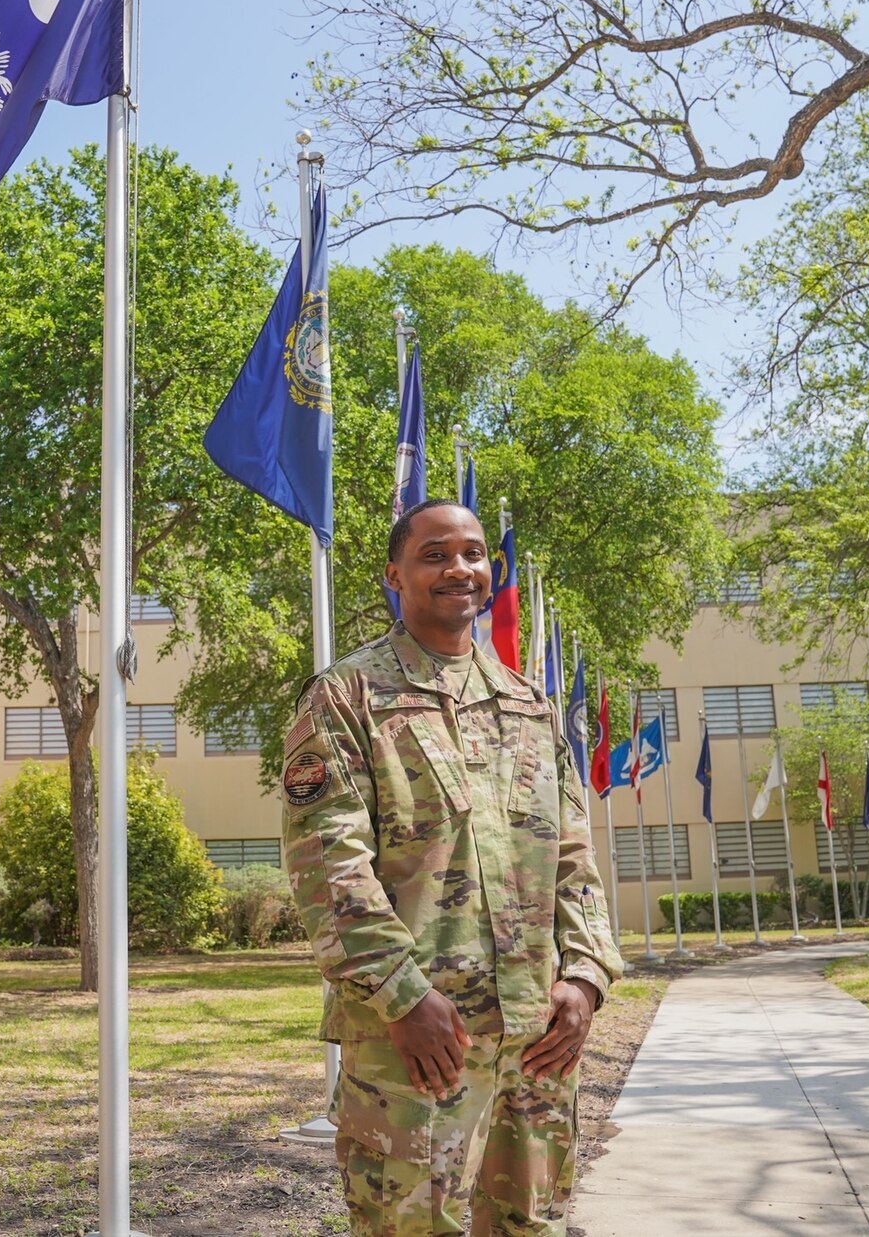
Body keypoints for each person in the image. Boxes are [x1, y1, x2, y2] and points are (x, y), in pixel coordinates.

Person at [281, 497, 623, 1235]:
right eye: (434, 553)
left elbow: (573, 856)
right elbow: (328, 862)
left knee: (531, 1224)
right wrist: (403, 997)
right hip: (413, 1041)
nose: (457, 568)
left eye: (471, 553)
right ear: (394, 574)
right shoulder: (346, 696)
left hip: (536, 1037)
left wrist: (587, 977)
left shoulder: (530, 704)